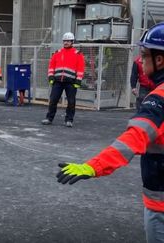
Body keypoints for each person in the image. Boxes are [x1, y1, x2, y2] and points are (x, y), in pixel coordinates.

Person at [56, 23, 164, 243]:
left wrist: (92, 167)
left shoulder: (158, 99)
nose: (141, 62)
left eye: (144, 55)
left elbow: (132, 139)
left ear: (159, 60)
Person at [41, 32, 85, 127]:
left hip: (71, 82)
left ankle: (69, 120)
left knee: (71, 102)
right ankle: (49, 118)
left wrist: (78, 80)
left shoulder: (78, 54)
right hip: (57, 81)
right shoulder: (57, 53)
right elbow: (51, 66)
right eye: (65, 41)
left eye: (68, 41)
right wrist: (51, 77)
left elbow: (81, 69)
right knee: (53, 100)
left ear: (72, 42)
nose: (66, 42)